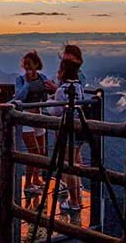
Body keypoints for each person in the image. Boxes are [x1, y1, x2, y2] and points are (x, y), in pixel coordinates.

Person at [14, 50, 56, 195]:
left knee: (42, 151)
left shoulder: (42, 77)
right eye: (25, 64)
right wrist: (27, 82)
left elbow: (47, 94)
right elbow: (19, 97)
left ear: (37, 64)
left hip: (38, 117)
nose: (26, 67)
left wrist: (54, 89)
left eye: (29, 64)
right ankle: (28, 184)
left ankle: (37, 179)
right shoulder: (20, 79)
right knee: (34, 151)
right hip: (26, 117)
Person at [47, 58, 86, 212]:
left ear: (62, 71)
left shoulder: (61, 90)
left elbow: (57, 111)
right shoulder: (79, 87)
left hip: (66, 130)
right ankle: (78, 198)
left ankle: (74, 202)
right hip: (79, 129)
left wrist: (48, 105)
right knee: (75, 165)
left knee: (68, 166)